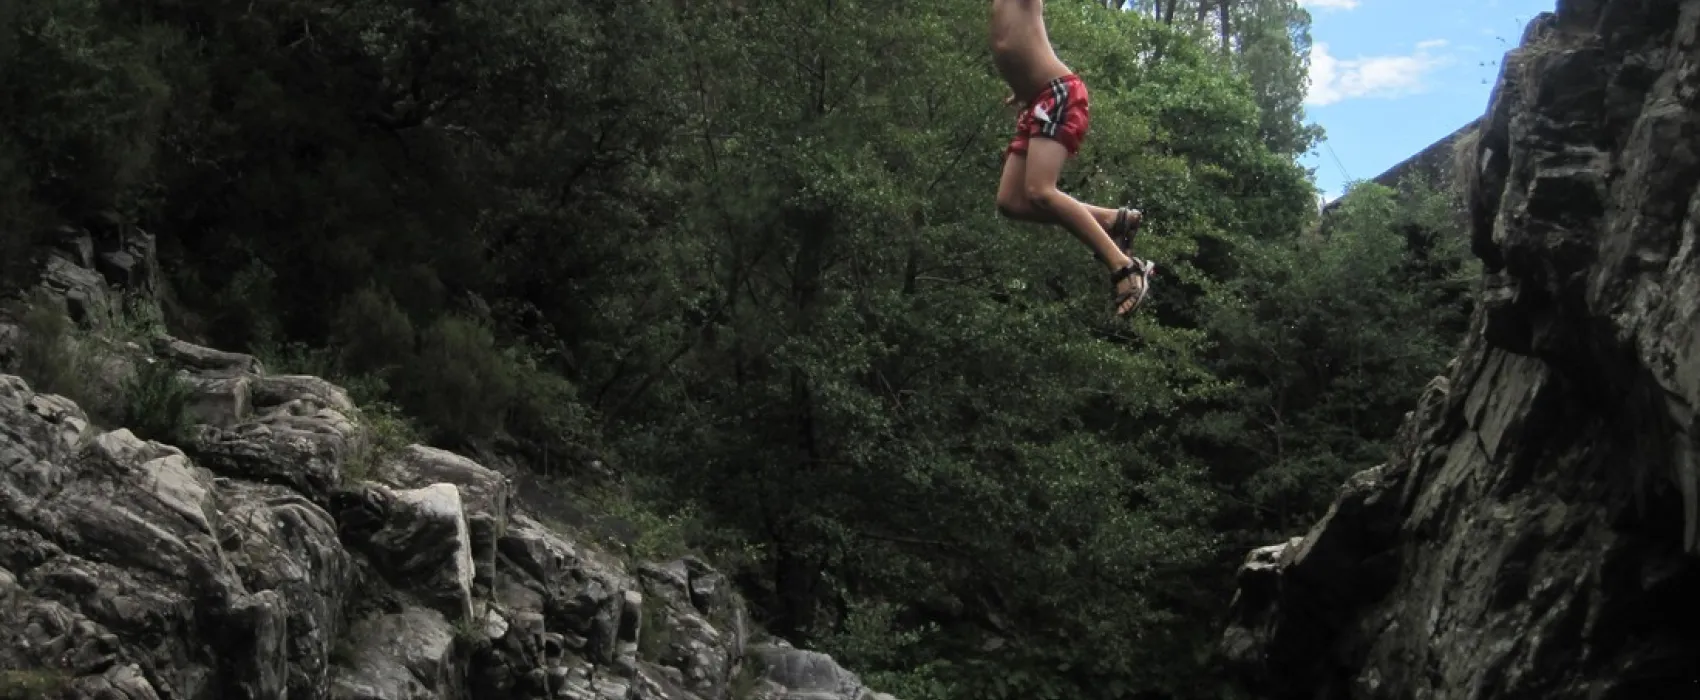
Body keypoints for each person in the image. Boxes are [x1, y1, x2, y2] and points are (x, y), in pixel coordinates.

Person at [990, 0, 1154, 316]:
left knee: (1040, 190)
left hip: (1057, 93)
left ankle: (1126, 269)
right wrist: (1021, 85)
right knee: (1010, 201)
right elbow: (1012, 39)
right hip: (1036, 99)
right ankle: (1112, 220)